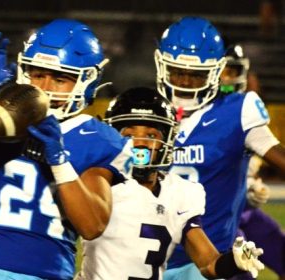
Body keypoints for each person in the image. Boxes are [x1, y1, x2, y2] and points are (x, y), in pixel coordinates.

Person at [0, 19, 129, 279]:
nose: (45, 88)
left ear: (86, 81)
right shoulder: (6, 116)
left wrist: (59, 161)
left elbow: (92, 225)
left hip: (48, 272)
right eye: (38, 75)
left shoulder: (98, 138)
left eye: (60, 78)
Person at [76, 87, 265, 280]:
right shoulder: (98, 183)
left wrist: (235, 261)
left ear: (167, 140)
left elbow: (209, 264)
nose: (140, 143)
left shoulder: (180, 192)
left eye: (151, 135)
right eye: (129, 135)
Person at [152, 16, 285, 280]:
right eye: (178, 71)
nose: (185, 82)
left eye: (196, 74)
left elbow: (279, 157)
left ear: (214, 71)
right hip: (151, 256)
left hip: (212, 258)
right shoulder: (147, 113)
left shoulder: (238, 110)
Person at [220, 44, 285, 280]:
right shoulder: (196, 115)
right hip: (220, 218)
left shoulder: (246, 110)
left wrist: (249, 185)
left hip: (244, 211)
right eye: (224, 71)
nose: (229, 78)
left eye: (232, 71)